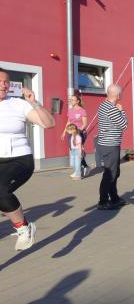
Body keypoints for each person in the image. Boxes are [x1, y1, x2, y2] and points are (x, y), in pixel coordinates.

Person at [0, 69, 55, 250]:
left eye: (6, 82)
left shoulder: (18, 104)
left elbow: (49, 124)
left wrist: (34, 103)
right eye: (0, 81)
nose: (3, 85)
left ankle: (24, 228)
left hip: (19, 160)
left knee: (0, 191)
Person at [96, 84, 128, 210]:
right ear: (118, 95)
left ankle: (114, 198)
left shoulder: (103, 105)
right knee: (110, 174)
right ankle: (103, 201)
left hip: (107, 144)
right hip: (110, 145)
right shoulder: (112, 109)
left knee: (114, 172)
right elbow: (124, 125)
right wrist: (122, 111)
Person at [62, 93, 90, 176]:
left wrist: (78, 132)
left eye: (73, 100)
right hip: (71, 133)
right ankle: (84, 167)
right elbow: (69, 122)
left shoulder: (82, 111)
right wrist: (64, 132)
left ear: (77, 101)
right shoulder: (70, 110)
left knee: (77, 151)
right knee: (73, 150)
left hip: (80, 133)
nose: (71, 101)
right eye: (70, 100)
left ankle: (78, 171)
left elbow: (85, 124)